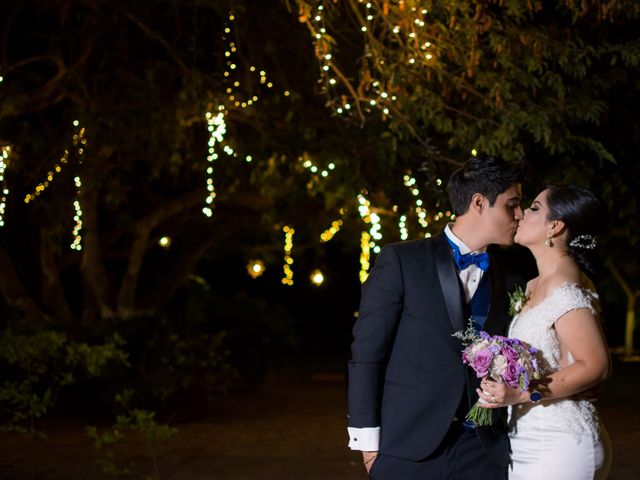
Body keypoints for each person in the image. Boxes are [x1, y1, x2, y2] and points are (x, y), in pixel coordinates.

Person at [347, 154, 524, 479]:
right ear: (479, 203)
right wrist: (368, 443)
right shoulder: (401, 260)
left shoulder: (512, 275)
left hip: (483, 450)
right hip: (407, 448)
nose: (520, 215)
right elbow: (367, 355)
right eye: (512, 205)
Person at [477, 184, 612, 479]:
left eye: (534, 207)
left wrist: (522, 393)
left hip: (560, 443)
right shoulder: (533, 285)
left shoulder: (563, 286)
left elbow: (596, 365)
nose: (523, 212)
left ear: (555, 226)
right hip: (526, 437)